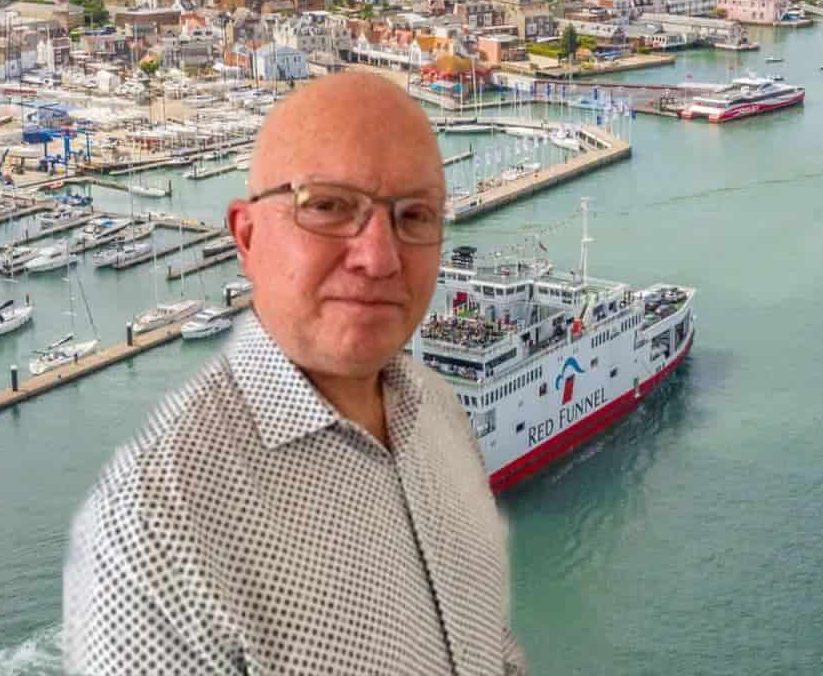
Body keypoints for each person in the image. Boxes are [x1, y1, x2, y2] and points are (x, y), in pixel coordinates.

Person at [63, 72, 526, 675]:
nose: (380, 258)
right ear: (247, 237)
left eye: (415, 216)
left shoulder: (439, 409)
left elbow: (490, 648)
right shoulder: (157, 520)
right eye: (328, 207)